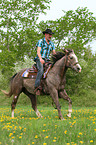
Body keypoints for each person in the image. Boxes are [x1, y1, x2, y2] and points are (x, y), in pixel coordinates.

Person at [34, 28, 56, 95]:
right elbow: (38, 51)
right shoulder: (41, 41)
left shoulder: (52, 44)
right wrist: (40, 59)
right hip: (39, 59)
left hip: (47, 60)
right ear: (45, 34)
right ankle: (37, 87)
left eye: (51, 35)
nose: (50, 36)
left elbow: (54, 53)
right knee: (40, 70)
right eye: (49, 35)